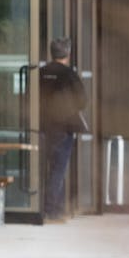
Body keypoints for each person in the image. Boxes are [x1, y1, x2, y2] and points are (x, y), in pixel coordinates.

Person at [39, 37, 87, 221]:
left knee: (48, 169)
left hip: (42, 128)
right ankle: (52, 210)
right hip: (63, 128)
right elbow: (82, 101)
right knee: (58, 169)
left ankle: (53, 208)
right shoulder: (69, 74)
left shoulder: (41, 73)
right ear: (68, 54)